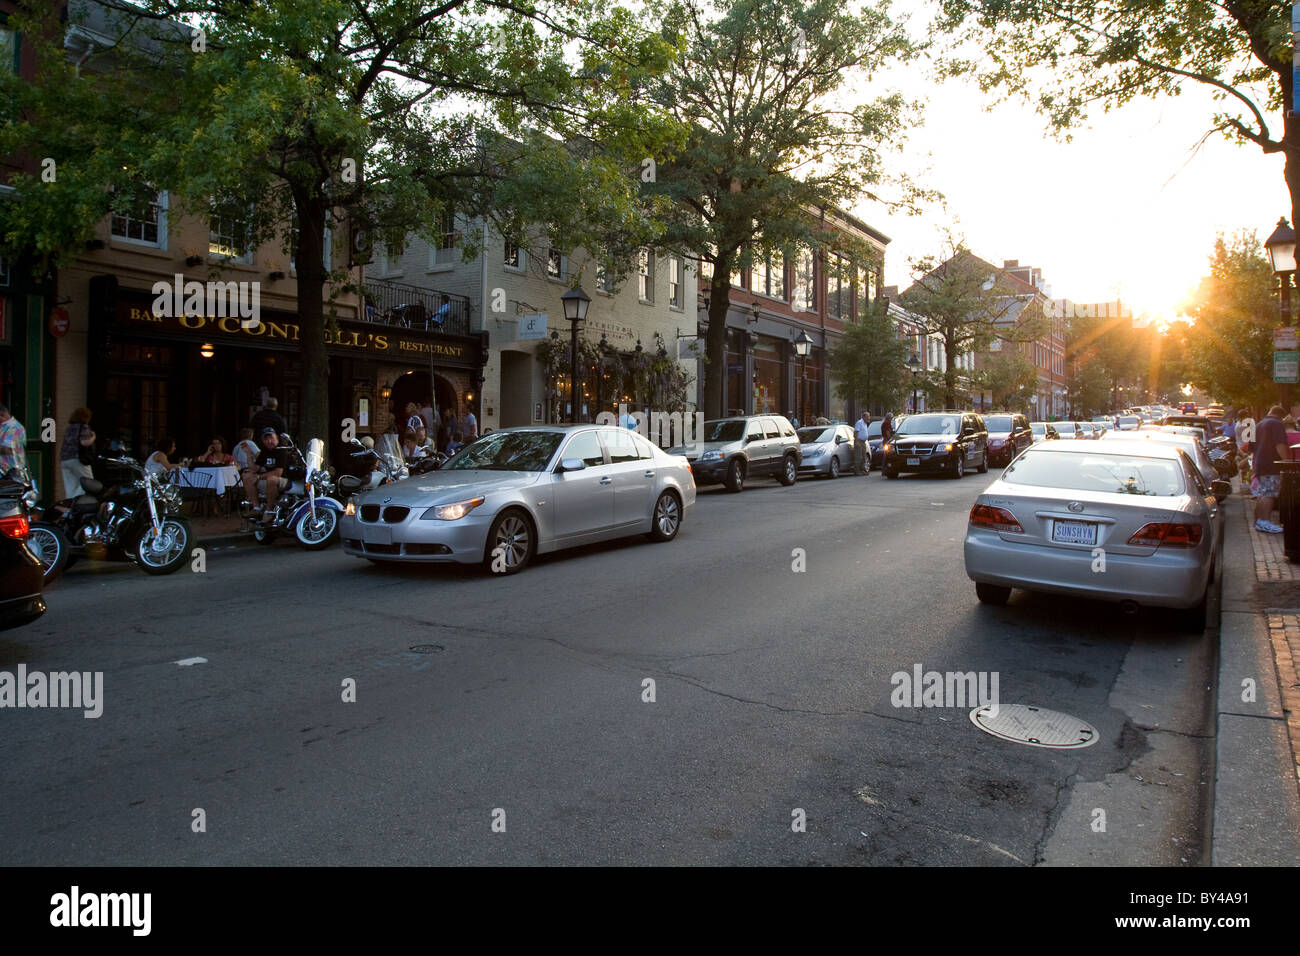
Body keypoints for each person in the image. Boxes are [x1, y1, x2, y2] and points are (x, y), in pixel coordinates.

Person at [1253, 405, 1290, 533]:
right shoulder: (1277, 424)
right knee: (1269, 494)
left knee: (1261, 493)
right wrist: (1287, 461)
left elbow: (1251, 447)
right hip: (1271, 464)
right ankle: (1265, 521)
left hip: (1259, 463)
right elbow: (1280, 444)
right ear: (1281, 416)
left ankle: (1258, 520)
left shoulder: (1258, 424)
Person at [243, 427, 290, 524]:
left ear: (276, 437)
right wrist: (248, 454)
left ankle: (269, 511)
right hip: (269, 480)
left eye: (271, 438)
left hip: (285, 481)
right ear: (263, 440)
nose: (269, 441)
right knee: (247, 475)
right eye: (266, 439)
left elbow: (278, 472)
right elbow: (254, 469)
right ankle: (257, 508)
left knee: (271, 479)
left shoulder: (281, 450)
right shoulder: (264, 451)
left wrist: (259, 477)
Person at [59, 407, 96, 498]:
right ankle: (77, 502)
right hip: (77, 459)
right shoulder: (84, 427)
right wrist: (93, 437)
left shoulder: (69, 428)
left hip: (64, 460)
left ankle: (70, 506)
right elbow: (84, 442)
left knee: (71, 487)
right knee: (89, 483)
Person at [0, 403, 26, 476]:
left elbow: (8, 450)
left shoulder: (15, 428)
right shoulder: (2, 427)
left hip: (10, 472)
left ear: (2, 415)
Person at [853, 411, 871, 476]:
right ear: (863, 417)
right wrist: (856, 441)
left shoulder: (865, 424)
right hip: (859, 441)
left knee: (863, 456)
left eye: (869, 416)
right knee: (858, 456)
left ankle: (862, 470)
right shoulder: (859, 423)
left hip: (863, 442)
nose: (869, 418)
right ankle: (857, 470)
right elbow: (856, 432)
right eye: (868, 417)